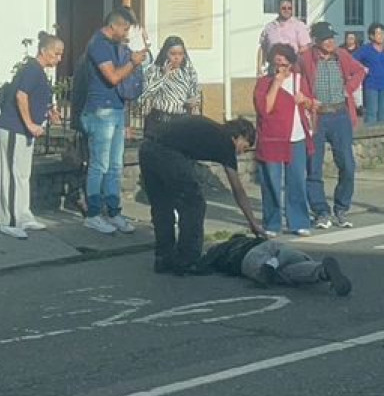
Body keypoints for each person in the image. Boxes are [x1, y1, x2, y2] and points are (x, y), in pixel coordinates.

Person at [138, 115, 265, 274]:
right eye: (244, 147)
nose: (241, 153)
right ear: (239, 137)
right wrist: (252, 222)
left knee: (162, 206)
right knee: (194, 204)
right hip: (168, 153)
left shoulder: (213, 128)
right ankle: (188, 260)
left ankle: (164, 257)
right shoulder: (225, 142)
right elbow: (237, 189)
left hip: (147, 148)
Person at [80, 8, 147, 235]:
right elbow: (113, 76)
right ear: (115, 26)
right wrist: (133, 63)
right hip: (101, 110)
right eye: (125, 29)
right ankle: (93, 214)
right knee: (100, 164)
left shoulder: (116, 45)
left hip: (116, 109)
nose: (126, 34)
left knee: (115, 166)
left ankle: (114, 211)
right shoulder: (98, 44)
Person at [0, 31, 64, 239]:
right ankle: (8, 221)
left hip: (24, 130)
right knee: (12, 175)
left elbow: (36, 97)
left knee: (23, 175)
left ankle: (23, 215)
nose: (59, 58)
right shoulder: (31, 70)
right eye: (56, 53)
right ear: (44, 51)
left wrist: (49, 111)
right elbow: (21, 95)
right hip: (14, 128)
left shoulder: (40, 72)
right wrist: (30, 123)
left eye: (61, 54)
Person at [299, 21, 366, 230]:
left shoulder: (341, 56)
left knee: (347, 164)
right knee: (313, 166)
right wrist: (306, 101)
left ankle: (341, 208)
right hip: (317, 116)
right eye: (326, 39)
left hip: (340, 114)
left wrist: (349, 88)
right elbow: (296, 79)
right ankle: (320, 211)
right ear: (316, 41)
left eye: (331, 38)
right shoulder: (306, 58)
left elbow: (360, 71)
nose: (330, 42)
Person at [254, 44, 316, 237]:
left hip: (296, 137)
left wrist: (305, 100)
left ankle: (298, 221)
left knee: (296, 180)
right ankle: (272, 223)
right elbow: (265, 108)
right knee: (271, 181)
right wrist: (277, 83)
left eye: (285, 63)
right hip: (272, 137)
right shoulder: (264, 83)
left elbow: (314, 104)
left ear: (291, 64)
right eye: (277, 62)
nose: (281, 67)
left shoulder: (299, 80)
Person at [196, 233, 353, 296]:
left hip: (250, 255)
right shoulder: (253, 239)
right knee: (290, 272)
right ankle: (323, 270)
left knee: (270, 271)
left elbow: (206, 262)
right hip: (276, 248)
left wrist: (197, 266)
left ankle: (270, 266)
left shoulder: (225, 247)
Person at [140, 35, 201, 139]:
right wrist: (164, 76)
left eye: (180, 54)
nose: (176, 58)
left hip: (181, 121)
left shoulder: (188, 71)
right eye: (173, 54)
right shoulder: (154, 70)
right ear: (165, 53)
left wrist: (193, 102)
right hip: (159, 121)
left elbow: (195, 93)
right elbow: (145, 94)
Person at [352, 22, 384, 125]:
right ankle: (369, 136)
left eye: (382, 33)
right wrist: (362, 68)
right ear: (371, 36)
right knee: (371, 112)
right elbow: (353, 60)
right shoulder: (366, 49)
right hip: (372, 85)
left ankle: (382, 138)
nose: (381, 36)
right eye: (378, 34)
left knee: (383, 113)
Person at [257, 0, 311, 75]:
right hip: (273, 69)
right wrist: (259, 69)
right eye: (283, 8)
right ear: (278, 9)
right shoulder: (269, 27)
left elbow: (305, 48)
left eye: (289, 8)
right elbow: (262, 48)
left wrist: (290, 59)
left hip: (291, 69)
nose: (287, 10)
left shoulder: (299, 26)